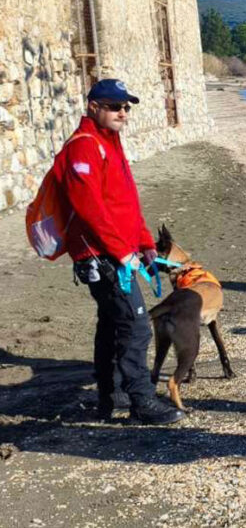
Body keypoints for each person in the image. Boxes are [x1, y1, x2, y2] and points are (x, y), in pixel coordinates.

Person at [54, 79, 184, 425]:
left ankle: (110, 397)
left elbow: (126, 203)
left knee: (112, 324)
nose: (122, 113)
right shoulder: (83, 147)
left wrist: (143, 244)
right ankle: (141, 401)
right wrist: (121, 252)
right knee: (135, 325)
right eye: (114, 106)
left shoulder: (109, 143)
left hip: (119, 252)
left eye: (126, 107)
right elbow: (89, 208)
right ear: (93, 107)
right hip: (102, 256)